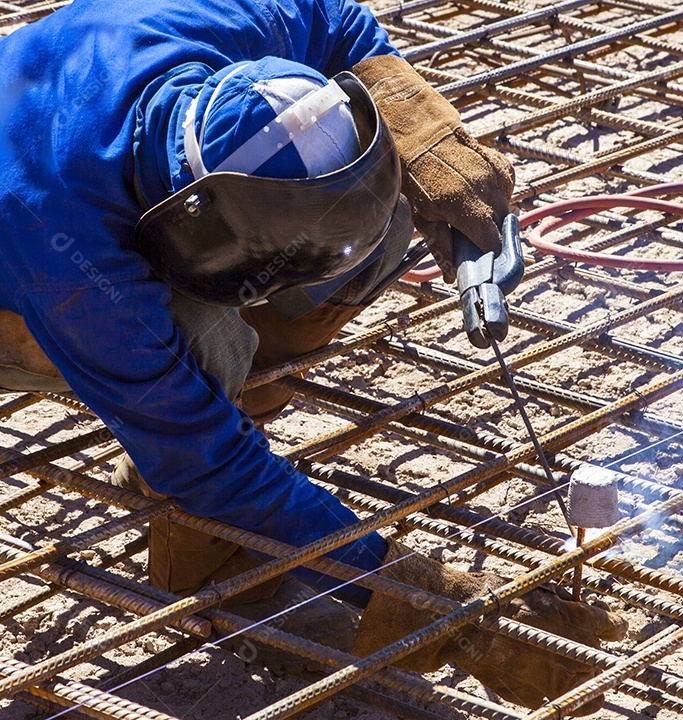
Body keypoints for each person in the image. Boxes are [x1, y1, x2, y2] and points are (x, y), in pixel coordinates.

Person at [0, 0, 624, 713]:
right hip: (18, 269)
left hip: (67, 164)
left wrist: (424, 138)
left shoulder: (205, 19)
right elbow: (206, 463)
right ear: (198, 214)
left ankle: (247, 442)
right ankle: (222, 561)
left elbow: (342, 24)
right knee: (210, 338)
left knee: (381, 218)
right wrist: (420, 596)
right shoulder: (74, 265)